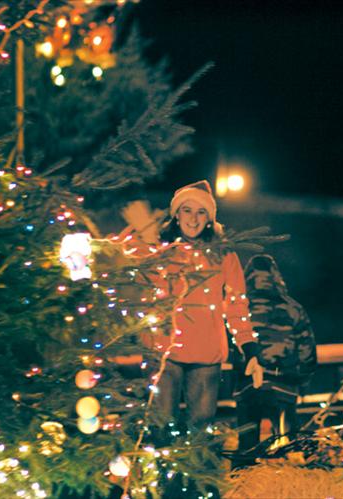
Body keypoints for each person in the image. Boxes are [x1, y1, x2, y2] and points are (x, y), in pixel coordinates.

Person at [121, 180, 262, 429]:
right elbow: (123, 257)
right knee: (160, 426)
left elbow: (236, 304)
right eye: (187, 210)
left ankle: (198, 469)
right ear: (176, 215)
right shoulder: (158, 248)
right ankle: (161, 467)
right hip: (164, 352)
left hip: (206, 355)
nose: (193, 219)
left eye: (201, 212)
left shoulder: (224, 255)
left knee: (200, 430)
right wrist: (141, 228)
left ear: (210, 218)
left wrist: (248, 346)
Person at [233, 254, 317, 455]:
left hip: (248, 385)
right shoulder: (293, 308)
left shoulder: (238, 309)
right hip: (284, 386)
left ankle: (243, 479)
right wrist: (303, 380)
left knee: (247, 448)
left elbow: (230, 345)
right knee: (287, 447)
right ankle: (287, 481)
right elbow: (307, 349)